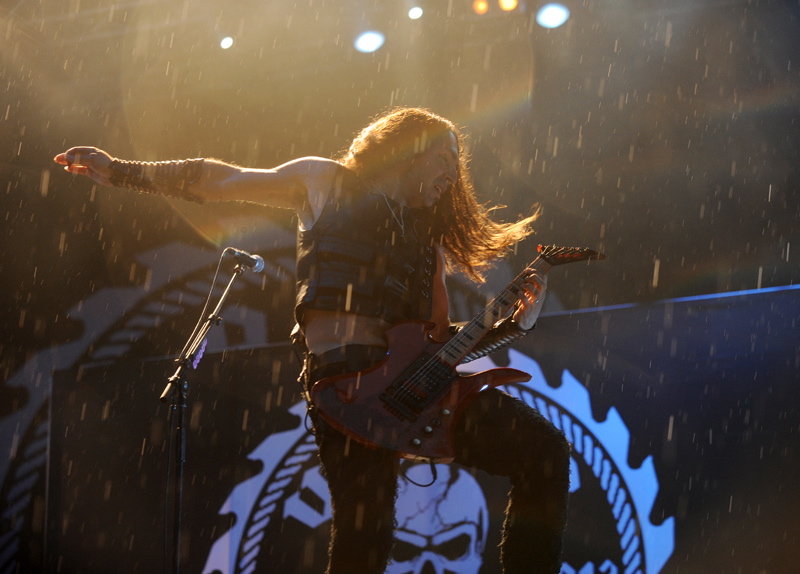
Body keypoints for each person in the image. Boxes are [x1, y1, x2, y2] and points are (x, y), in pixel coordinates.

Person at [54, 107, 571, 573]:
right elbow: (220, 181)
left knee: (544, 452)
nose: (451, 176)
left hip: (414, 388)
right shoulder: (327, 181)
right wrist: (124, 171)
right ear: (407, 149)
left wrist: (506, 322)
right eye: (443, 158)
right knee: (363, 543)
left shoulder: (425, 240)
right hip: (348, 387)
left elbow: (437, 338)